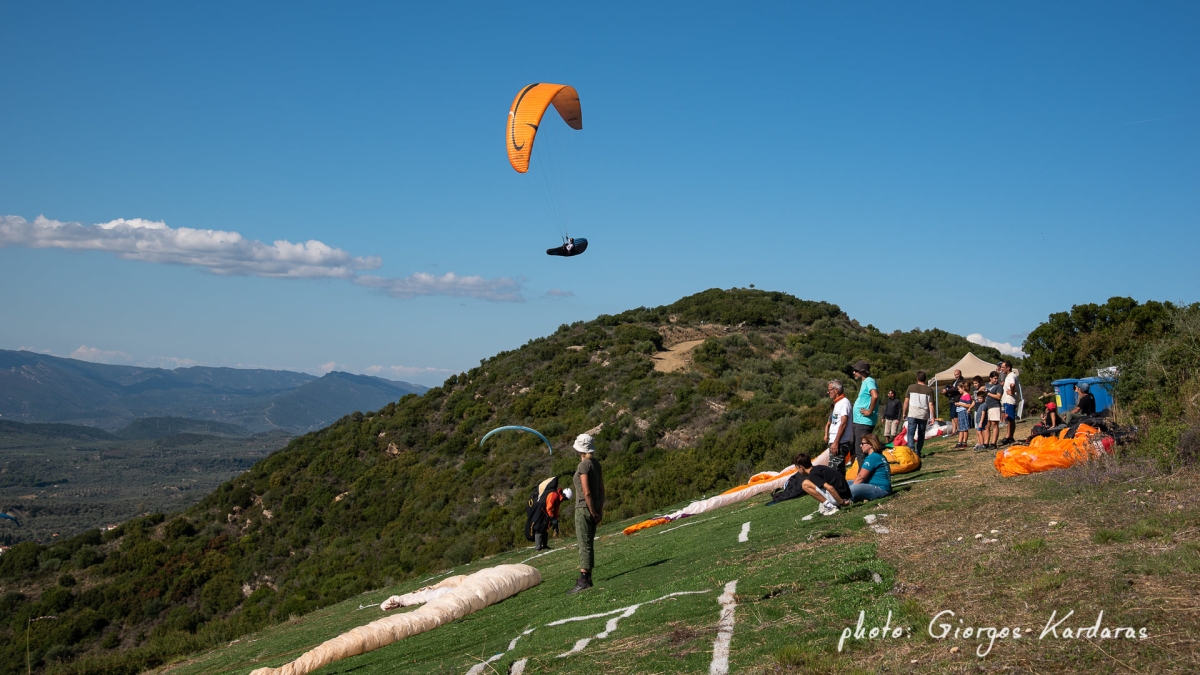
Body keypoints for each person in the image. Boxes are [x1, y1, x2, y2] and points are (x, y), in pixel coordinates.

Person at [568, 433, 604, 594]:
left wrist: (591, 510)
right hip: (594, 506)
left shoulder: (583, 466)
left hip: (584, 508)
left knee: (583, 544)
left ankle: (584, 580)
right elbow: (601, 490)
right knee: (588, 542)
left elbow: (586, 491)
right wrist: (598, 510)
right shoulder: (596, 464)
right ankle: (587, 578)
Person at [850, 361, 879, 467]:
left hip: (863, 422)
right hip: (860, 421)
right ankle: (863, 473)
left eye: (856, 370)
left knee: (861, 451)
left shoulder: (869, 381)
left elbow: (875, 395)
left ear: (862, 371)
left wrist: (869, 411)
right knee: (858, 449)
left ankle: (864, 474)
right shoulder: (865, 382)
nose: (854, 372)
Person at [850, 433, 892, 502]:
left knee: (851, 489)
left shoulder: (873, 457)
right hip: (880, 487)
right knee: (845, 484)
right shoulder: (878, 455)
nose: (860, 445)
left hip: (880, 489)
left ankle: (847, 500)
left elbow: (861, 477)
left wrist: (850, 490)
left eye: (863, 443)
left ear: (870, 445)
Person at [902, 371, 935, 457]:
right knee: (921, 434)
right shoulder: (929, 390)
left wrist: (904, 413)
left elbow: (906, 401)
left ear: (917, 378)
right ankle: (918, 451)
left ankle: (911, 449)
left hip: (912, 413)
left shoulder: (911, 387)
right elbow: (931, 404)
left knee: (910, 433)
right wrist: (932, 417)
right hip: (923, 414)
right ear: (925, 379)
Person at [823, 380, 854, 471]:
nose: (828, 392)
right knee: (838, 470)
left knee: (834, 470)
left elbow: (843, 423)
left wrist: (836, 442)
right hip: (835, 441)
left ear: (836, 390)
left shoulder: (844, 403)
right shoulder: (837, 403)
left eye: (829, 390)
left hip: (840, 442)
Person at [999, 360, 1020, 445]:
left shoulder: (1011, 375)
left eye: (1003, 367)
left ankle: (1009, 437)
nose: (1001, 369)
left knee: (1010, 419)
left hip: (1010, 401)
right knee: (1009, 420)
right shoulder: (1008, 376)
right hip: (1007, 400)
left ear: (1008, 368)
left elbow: (1012, 384)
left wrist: (1011, 392)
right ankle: (1009, 436)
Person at [983, 371, 1003, 450]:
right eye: (994, 378)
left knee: (994, 424)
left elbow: (998, 397)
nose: (996, 380)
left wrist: (988, 394)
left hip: (995, 406)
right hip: (986, 407)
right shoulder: (986, 385)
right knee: (987, 425)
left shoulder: (999, 386)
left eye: (997, 378)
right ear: (990, 378)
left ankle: (993, 443)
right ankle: (986, 442)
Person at [942, 369, 965, 433]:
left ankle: (959, 429)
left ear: (960, 374)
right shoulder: (954, 381)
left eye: (957, 374)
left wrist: (947, 391)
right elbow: (951, 388)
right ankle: (954, 430)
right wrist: (946, 391)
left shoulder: (962, 381)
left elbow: (956, 389)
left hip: (957, 399)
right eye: (955, 375)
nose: (956, 376)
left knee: (954, 415)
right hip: (952, 399)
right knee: (952, 416)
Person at [954, 382, 972, 449]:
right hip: (960, 412)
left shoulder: (967, 395)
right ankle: (959, 442)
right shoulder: (962, 395)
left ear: (963, 388)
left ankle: (964, 442)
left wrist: (960, 404)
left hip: (964, 412)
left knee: (964, 428)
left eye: (959, 389)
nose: (958, 390)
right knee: (961, 428)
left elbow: (969, 405)